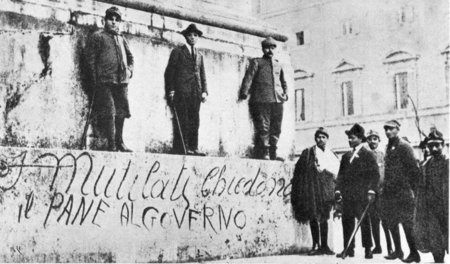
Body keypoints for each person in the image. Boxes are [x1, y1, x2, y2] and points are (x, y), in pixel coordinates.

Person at [85, 6, 134, 152]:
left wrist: (130, 71)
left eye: (116, 20)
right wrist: (95, 81)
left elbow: (130, 57)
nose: (113, 22)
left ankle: (120, 142)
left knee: (122, 112)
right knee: (110, 112)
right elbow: (90, 60)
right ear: (104, 20)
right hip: (105, 81)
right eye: (110, 19)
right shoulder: (98, 37)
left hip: (122, 81)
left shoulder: (121, 38)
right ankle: (111, 144)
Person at [291, 127, 340, 255]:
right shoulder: (308, 153)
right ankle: (315, 245)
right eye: (319, 137)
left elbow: (336, 172)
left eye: (324, 137)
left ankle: (324, 245)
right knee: (313, 216)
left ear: (327, 139)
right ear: (315, 139)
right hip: (313, 189)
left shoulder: (331, 154)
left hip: (327, 190)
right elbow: (299, 172)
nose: (321, 139)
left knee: (325, 217)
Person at [335, 124, 380, 259]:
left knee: (364, 222)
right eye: (348, 138)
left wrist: (372, 190)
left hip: (362, 195)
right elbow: (340, 175)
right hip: (348, 196)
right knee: (347, 222)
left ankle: (368, 249)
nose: (349, 140)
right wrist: (337, 190)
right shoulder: (346, 156)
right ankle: (348, 248)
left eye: (352, 137)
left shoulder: (368, 155)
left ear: (360, 139)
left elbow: (375, 174)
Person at [239, 37, 288, 160]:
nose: (270, 51)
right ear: (263, 49)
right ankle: (265, 152)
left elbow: (283, 81)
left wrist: (285, 93)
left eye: (272, 48)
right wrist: (244, 92)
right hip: (262, 99)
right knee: (263, 126)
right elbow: (249, 77)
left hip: (277, 99)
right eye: (267, 48)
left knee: (276, 127)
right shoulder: (257, 62)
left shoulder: (278, 65)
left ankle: (273, 152)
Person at [379, 120, 421, 263]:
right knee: (391, 222)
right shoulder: (388, 147)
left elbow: (414, 170)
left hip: (403, 192)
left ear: (398, 129)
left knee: (407, 224)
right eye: (386, 129)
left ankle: (414, 253)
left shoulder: (404, 146)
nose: (388, 132)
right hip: (390, 193)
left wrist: (414, 191)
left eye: (391, 129)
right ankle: (398, 251)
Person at [164, 23, 208, 156]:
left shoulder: (199, 55)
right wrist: (171, 90)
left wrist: (204, 91)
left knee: (195, 120)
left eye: (195, 35)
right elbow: (169, 72)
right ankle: (182, 147)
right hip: (182, 92)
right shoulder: (178, 52)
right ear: (186, 37)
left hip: (196, 92)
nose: (193, 38)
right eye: (190, 35)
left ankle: (194, 147)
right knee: (183, 119)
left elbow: (202, 74)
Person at [414, 129, 448, 263]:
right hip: (432, 208)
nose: (434, 148)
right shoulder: (426, 165)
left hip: (446, 207)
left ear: (443, 145)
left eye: (437, 145)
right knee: (435, 239)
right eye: (431, 145)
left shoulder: (448, 163)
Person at [366, 129, 395, 256]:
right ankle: (377, 246)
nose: (372, 141)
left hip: (382, 193)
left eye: (375, 139)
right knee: (373, 221)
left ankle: (389, 247)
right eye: (370, 139)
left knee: (386, 221)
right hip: (370, 193)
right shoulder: (365, 156)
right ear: (367, 140)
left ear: (378, 140)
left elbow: (386, 174)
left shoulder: (383, 155)